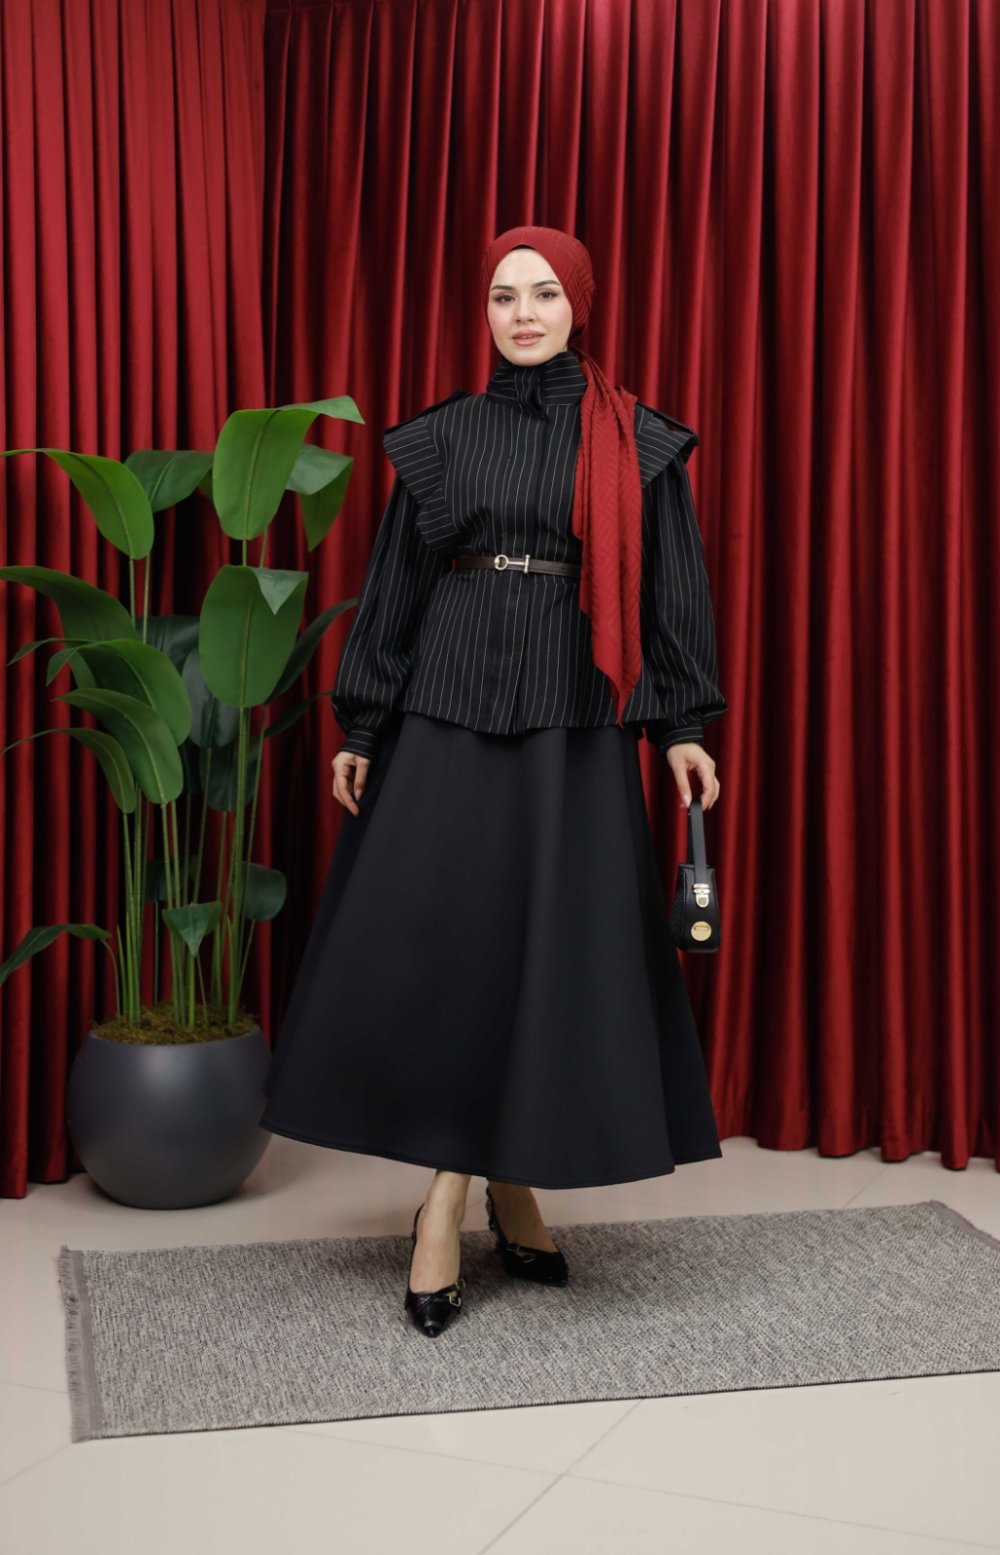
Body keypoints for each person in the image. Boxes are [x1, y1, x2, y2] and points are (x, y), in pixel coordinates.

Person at [259, 224, 728, 1339]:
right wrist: (363, 718)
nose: (522, 313)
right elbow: (396, 581)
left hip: (575, 716)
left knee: (547, 956)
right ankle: (452, 1197)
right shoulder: (442, 437)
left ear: (579, 305)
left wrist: (681, 725)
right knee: (455, 951)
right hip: (447, 705)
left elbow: (670, 589)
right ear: (484, 312)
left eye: (544, 293)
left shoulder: (637, 441)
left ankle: (492, 1186)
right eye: (503, 295)